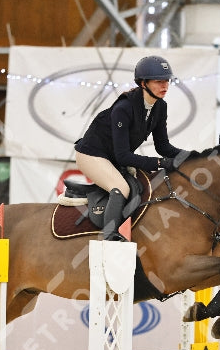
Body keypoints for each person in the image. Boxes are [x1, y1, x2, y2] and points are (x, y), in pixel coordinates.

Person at [74, 55, 184, 241]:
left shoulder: (160, 107)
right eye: (159, 81)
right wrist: (160, 163)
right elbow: (124, 156)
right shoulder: (123, 108)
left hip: (113, 157)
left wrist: (192, 156)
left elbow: (163, 146)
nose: (164, 86)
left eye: (167, 81)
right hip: (91, 154)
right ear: (143, 83)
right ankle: (109, 237)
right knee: (121, 188)